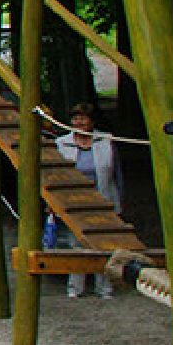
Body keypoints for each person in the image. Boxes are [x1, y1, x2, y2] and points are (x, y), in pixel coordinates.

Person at [52, 102, 121, 299]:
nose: (79, 122)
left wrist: (118, 203)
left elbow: (117, 174)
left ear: (92, 121)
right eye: (75, 119)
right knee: (76, 245)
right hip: (74, 203)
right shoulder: (61, 143)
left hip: (102, 201)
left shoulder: (106, 141)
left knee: (104, 245)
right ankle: (75, 288)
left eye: (83, 118)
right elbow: (55, 175)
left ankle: (104, 287)